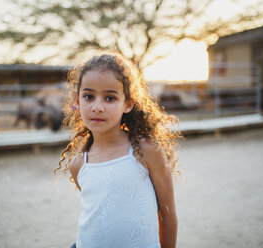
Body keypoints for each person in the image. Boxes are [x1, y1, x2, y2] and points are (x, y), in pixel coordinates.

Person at [55, 52, 181, 248]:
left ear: (128, 104)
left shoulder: (145, 151)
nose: (97, 107)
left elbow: (168, 213)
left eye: (110, 98)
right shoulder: (78, 164)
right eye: (89, 96)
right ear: (77, 101)